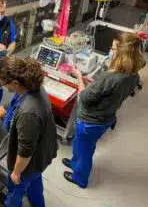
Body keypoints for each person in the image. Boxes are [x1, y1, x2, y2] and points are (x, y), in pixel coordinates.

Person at [62, 32, 145, 188]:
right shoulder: (133, 76)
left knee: (85, 150)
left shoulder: (110, 78)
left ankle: (80, 178)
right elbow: (110, 91)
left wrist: (79, 77)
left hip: (90, 122)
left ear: (122, 54)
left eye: (113, 49)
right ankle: (75, 163)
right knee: (82, 145)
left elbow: (84, 98)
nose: (111, 51)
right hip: (105, 118)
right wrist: (94, 83)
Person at [0, 56, 58, 207]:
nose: (2, 87)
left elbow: (26, 151)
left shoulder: (29, 113)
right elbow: (10, 104)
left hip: (29, 161)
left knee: (15, 190)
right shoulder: (31, 86)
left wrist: (16, 172)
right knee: (34, 182)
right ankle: (38, 203)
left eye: (2, 84)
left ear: (14, 83)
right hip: (42, 152)